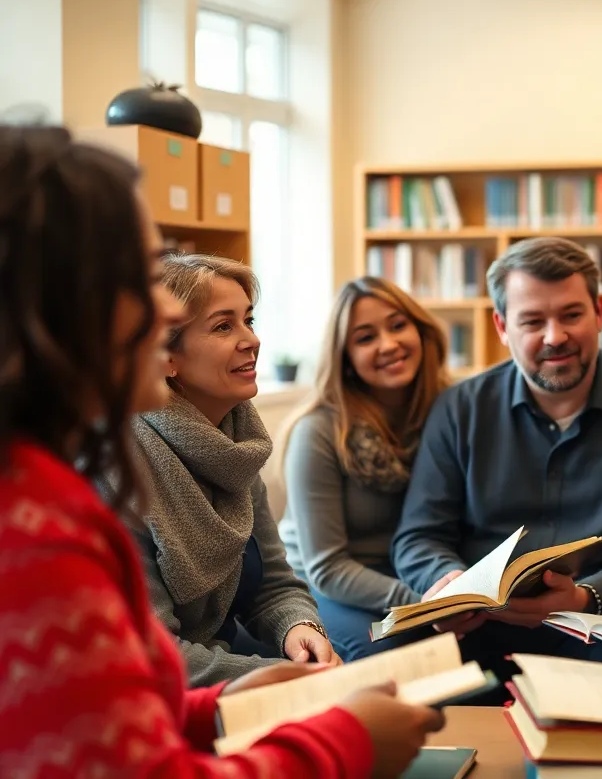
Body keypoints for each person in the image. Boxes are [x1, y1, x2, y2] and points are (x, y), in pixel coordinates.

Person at [0, 124, 443, 776]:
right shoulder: (38, 528)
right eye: (141, 278)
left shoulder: (50, 487)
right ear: (63, 304)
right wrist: (343, 741)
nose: (161, 310)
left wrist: (222, 703)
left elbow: (107, 704)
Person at [392, 236, 602, 675]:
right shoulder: (459, 409)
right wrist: (448, 584)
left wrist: (584, 597)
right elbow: (419, 535)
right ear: (501, 327)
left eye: (571, 314)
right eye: (533, 321)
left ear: (600, 313)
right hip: (478, 631)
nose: (556, 336)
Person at [114, 253, 338, 687]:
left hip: (230, 664)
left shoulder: (235, 442)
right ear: (167, 358)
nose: (251, 340)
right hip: (165, 692)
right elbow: (154, 653)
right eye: (223, 326)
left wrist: (301, 630)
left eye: (248, 321)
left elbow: (276, 585)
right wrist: (284, 677)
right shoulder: (122, 464)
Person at [279, 277, 452, 661]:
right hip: (324, 584)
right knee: (390, 654)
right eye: (365, 337)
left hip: (415, 576)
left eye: (397, 325)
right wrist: (425, 604)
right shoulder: (318, 431)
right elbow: (326, 567)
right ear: (345, 358)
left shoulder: (448, 412)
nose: (388, 345)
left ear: (420, 331)